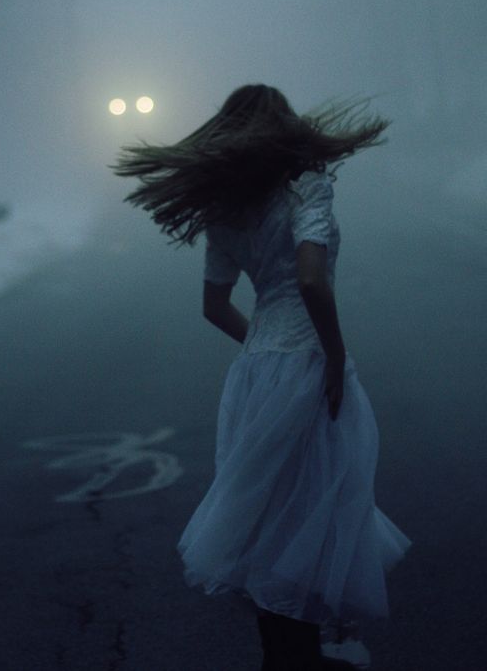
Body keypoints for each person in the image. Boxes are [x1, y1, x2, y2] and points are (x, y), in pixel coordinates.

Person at [112, 84, 410, 671]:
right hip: (305, 361)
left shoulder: (226, 208)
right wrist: (332, 354)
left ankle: (286, 654)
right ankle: (299, 654)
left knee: (271, 513)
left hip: (256, 369)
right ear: (285, 128)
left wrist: (263, 345)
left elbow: (213, 306)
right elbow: (311, 281)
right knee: (314, 505)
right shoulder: (309, 187)